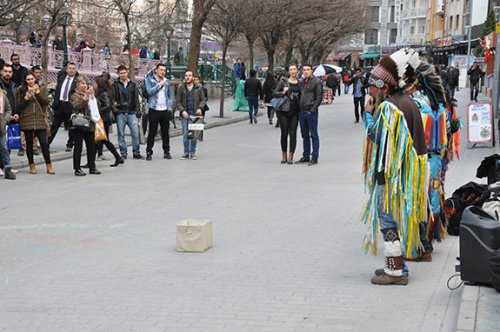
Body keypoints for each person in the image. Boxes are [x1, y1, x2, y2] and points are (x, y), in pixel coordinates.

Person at [362, 50, 428, 285]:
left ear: (384, 87)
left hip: (392, 175)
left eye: (372, 87)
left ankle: (395, 271)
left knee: (387, 219)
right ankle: (397, 265)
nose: (370, 91)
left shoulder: (389, 107)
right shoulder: (408, 102)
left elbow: (378, 136)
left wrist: (368, 116)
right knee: (395, 218)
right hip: (405, 174)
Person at [16, 72, 54, 175]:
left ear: (35, 79)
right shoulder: (21, 90)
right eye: (28, 79)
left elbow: (46, 102)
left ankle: (49, 165)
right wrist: (26, 98)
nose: (30, 81)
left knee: (44, 144)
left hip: (40, 120)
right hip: (27, 120)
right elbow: (18, 107)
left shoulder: (41, 89)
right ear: (25, 81)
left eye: (32, 79)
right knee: (29, 145)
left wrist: (37, 93)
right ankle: (31, 165)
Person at [70, 76, 101, 176]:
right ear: (78, 85)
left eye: (85, 83)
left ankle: (92, 166)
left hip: (90, 123)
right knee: (78, 146)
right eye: (82, 83)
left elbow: (98, 106)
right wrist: (85, 97)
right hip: (79, 123)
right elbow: (77, 106)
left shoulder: (90, 93)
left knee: (91, 146)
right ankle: (77, 168)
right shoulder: (74, 95)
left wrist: (93, 97)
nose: (84, 85)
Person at [112, 65, 144, 160]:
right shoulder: (115, 85)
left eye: (124, 73)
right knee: (121, 134)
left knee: (135, 133)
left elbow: (136, 99)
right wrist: (116, 110)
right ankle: (123, 153)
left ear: (127, 73)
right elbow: (113, 99)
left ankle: (136, 152)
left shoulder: (132, 84)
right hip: (121, 112)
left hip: (131, 112)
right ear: (118, 74)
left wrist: (138, 111)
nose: (123, 75)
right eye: (121, 73)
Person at [94, 74, 124, 167]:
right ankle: (117, 157)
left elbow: (107, 105)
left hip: (102, 120)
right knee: (100, 140)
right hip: (104, 119)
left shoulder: (103, 94)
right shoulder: (103, 93)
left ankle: (118, 157)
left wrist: (97, 112)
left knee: (102, 140)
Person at [273, 65, 301, 164]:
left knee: (293, 134)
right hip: (283, 112)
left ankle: (291, 156)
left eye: (294, 69)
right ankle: (284, 155)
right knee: (284, 133)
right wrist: (283, 92)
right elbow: (274, 93)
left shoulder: (300, 83)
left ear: (297, 71)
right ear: (288, 72)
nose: (293, 71)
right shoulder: (283, 82)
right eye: (291, 70)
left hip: (295, 111)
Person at [145, 63, 173, 161]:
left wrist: (170, 107)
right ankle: (149, 152)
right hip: (154, 109)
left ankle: (166, 151)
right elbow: (149, 92)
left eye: (164, 70)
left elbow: (169, 95)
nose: (163, 72)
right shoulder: (149, 80)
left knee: (165, 132)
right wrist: (159, 85)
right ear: (156, 70)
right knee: (152, 132)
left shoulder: (167, 81)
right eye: (161, 70)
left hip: (164, 109)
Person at [296, 64, 322, 166]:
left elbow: (319, 97)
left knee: (313, 135)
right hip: (302, 112)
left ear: (312, 71)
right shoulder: (302, 82)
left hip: (311, 112)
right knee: (304, 135)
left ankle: (314, 156)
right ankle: (306, 155)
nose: (306, 71)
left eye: (308, 70)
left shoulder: (317, 82)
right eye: (304, 70)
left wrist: (312, 109)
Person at [176, 70, 206, 160]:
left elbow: (203, 100)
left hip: (195, 115)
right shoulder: (181, 88)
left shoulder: (198, 88)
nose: (187, 77)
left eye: (189, 75)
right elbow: (178, 102)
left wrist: (200, 108)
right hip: (185, 115)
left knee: (194, 134)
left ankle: (192, 152)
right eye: (186, 75)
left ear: (193, 77)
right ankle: (186, 152)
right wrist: (182, 111)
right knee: (185, 133)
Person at [49, 62, 78, 151]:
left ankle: (70, 144)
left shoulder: (77, 81)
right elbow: (58, 91)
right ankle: (47, 143)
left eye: (73, 68)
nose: (71, 70)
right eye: (70, 68)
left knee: (71, 127)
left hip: (70, 106)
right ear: (66, 69)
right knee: (54, 125)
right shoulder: (62, 78)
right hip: (60, 105)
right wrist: (55, 103)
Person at [0, 88, 16, 180]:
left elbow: (8, 110)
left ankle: (8, 169)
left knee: (4, 149)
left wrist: (5, 119)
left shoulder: (2, 96)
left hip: (0, 128)